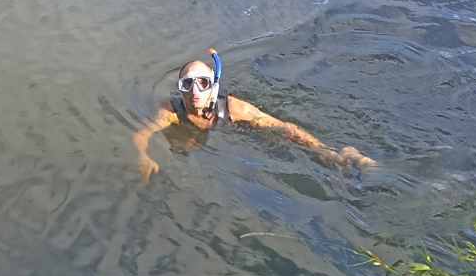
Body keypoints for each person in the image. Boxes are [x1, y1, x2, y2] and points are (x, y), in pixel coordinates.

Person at [132, 52, 376, 182]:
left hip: (241, 129)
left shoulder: (234, 108)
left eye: (203, 83)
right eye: (188, 84)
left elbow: (282, 126)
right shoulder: (172, 111)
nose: (195, 91)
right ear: (180, 88)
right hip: (222, 136)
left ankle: (346, 154)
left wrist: (322, 150)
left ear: (213, 88)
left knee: (302, 148)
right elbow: (142, 134)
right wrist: (143, 156)